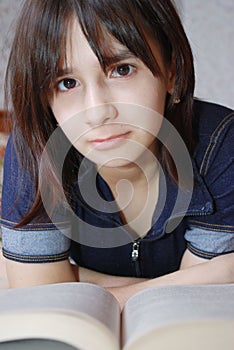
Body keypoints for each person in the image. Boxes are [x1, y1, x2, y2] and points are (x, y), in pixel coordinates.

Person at [1, 0, 234, 307]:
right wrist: (210, 275)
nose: (97, 112)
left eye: (122, 70)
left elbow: (189, 307)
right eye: (67, 83)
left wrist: (67, 279)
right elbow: (40, 303)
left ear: (172, 72)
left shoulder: (220, 145)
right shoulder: (35, 145)